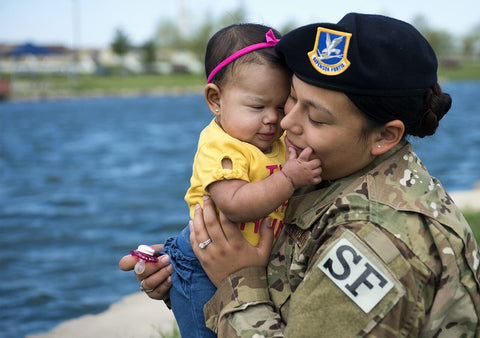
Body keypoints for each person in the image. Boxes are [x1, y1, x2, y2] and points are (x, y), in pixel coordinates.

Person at [121, 13, 480, 337]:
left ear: (385, 136)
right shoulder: (335, 173)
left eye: (317, 118)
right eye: (291, 98)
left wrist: (233, 282)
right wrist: (191, 266)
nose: (286, 122)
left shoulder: (375, 243)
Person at [123, 23, 321, 338]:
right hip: (202, 262)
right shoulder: (221, 145)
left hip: (241, 256)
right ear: (216, 100)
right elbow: (234, 205)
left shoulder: (274, 141)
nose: (273, 118)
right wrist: (288, 178)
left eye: (280, 105)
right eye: (257, 106)